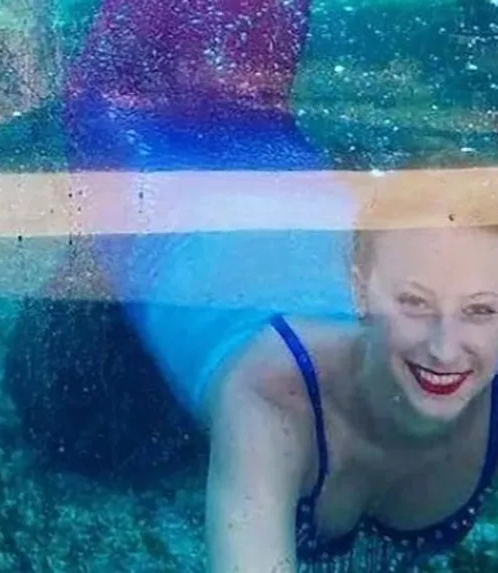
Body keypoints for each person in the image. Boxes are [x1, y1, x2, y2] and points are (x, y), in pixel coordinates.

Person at [201, 167, 498, 571]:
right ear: (359, 292)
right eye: (414, 302)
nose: (444, 350)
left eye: (480, 309)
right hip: (197, 252)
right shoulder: (270, 395)